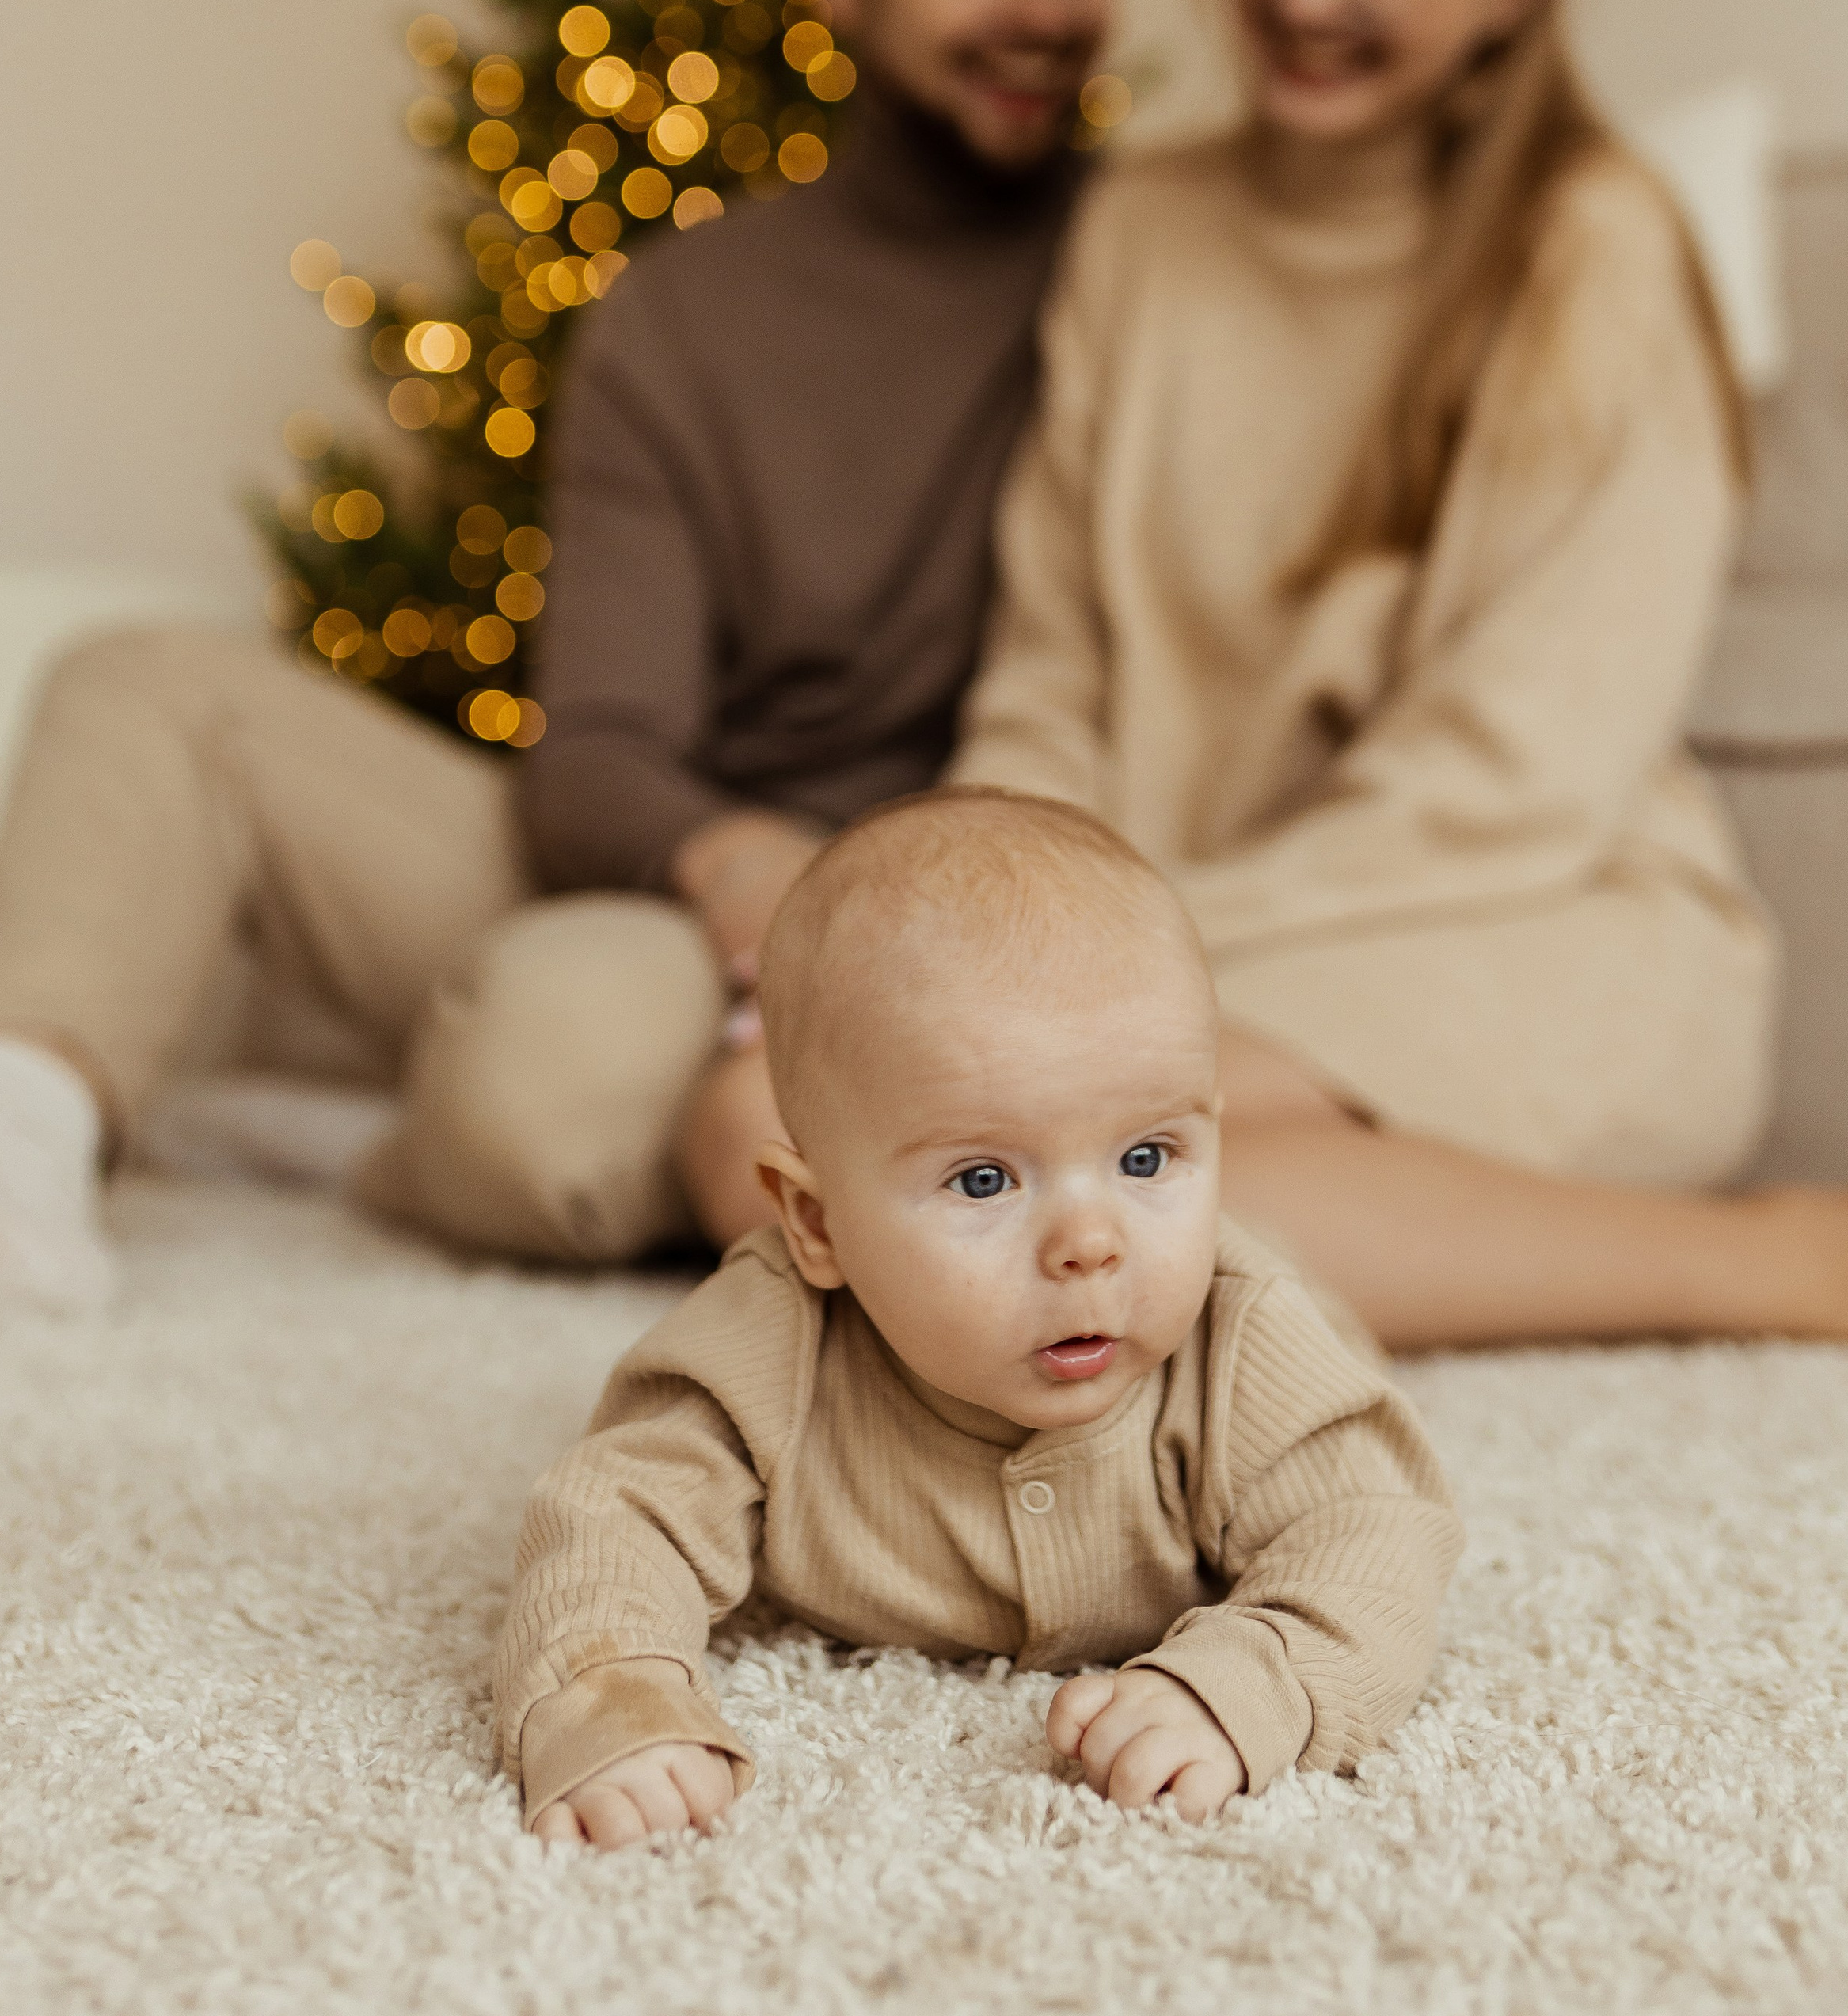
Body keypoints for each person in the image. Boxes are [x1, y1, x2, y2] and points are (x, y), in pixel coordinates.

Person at [697, 0, 1848, 1352]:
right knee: (769, 1136)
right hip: (1190, 944)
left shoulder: (1592, 247)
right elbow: (1050, 675)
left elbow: (1507, 786)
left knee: (1007, 1197)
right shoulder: (1141, 227)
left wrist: (1117, 957)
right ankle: (1688, 1255)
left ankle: (1826, 1271)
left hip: (1524, 924)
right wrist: (993, 932)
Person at [0, 0, 1114, 1322]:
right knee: (140, 687)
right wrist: (733, 861)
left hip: (915, 935)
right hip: (680, 895)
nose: (1044, 8)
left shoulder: (1146, 269)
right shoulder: (690, 309)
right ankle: (3, 1144)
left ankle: (386, 1136)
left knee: (547, 1079)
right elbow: (598, 756)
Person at [496, 788, 1462, 1847]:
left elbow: (1373, 1533)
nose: (1089, 1241)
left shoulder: (1244, 1340)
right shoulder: (766, 1348)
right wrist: (611, 1696)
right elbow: (615, 1517)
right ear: (817, 1223)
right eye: (985, 1179)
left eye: (1148, 1158)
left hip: (1301, 1357)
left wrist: (1252, 1679)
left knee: (1347, 1413)